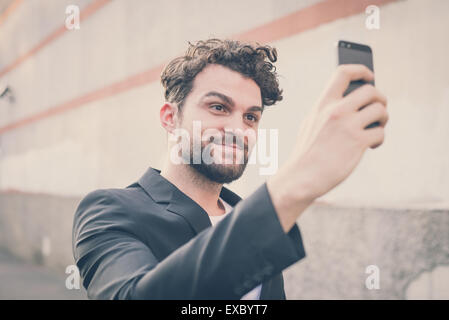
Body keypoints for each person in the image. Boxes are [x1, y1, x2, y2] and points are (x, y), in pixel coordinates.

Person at [72, 38, 388, 300]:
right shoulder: (109, 210)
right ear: (170, 117)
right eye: (218, 107)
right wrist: (295, 184)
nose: (239, 129)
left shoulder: (247, 214)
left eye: (251, 116)